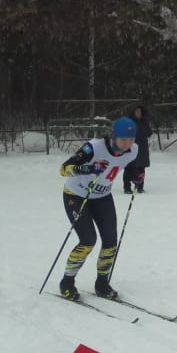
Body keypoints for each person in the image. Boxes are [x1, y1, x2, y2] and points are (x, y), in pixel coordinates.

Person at [57, 117, 140, 301]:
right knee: (88, 240)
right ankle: (67, 282)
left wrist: (136, 176)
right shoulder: (94, 147)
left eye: (132, 139)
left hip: (102, 197)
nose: (128, 144)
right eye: (123, 140)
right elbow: (64, 169)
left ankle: (102, 283)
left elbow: (130, 167)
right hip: (76, 195)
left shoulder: (134, 150)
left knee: (110, 242)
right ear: (114, 136)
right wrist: (86, 169)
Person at [123, 104, 152, 194]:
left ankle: (140, 186)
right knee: (129, 167)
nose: (138, 113)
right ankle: (127, 187)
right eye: (137, 112)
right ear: (133, 113)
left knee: (141, 167)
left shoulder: (144, 122)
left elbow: (149, 133)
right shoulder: (129, 122)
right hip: (131, 147)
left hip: (142, 148)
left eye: (140, 112)